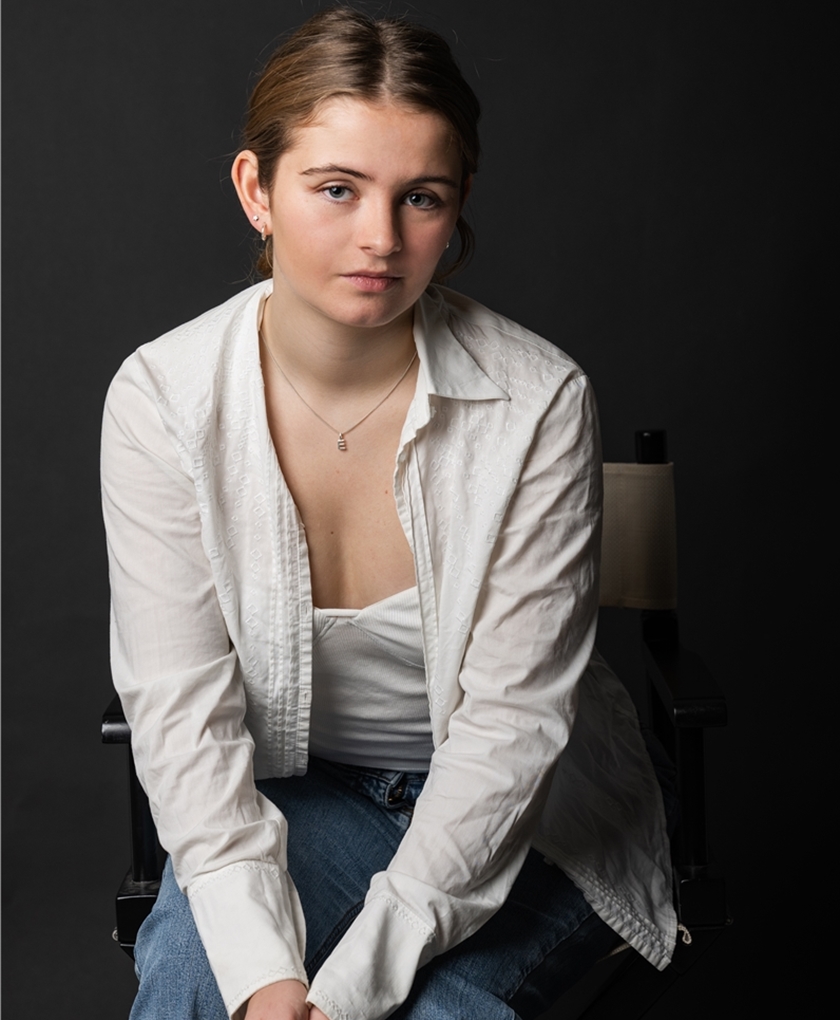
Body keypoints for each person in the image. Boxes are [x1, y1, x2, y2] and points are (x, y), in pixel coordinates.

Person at [101, 8, 677, 1020]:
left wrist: (353, 990)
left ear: (457, 208)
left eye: (421, 197)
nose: (381, 238)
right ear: (256, 190)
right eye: (337, 188)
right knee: (201, 980)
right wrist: (270, 983)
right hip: (303, 798)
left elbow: (511, 734)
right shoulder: (163, 400)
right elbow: (183, 720)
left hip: (533, 818)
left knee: (436, 1013)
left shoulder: (537, 401)